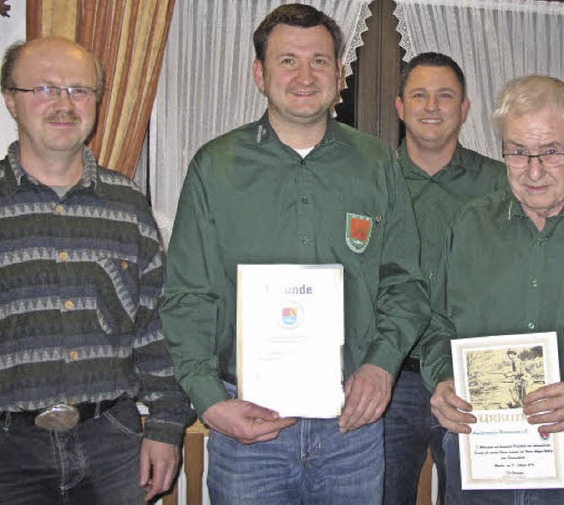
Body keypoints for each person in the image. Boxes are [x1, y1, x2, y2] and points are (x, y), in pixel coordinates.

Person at [160, 4, 431, 504]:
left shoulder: (376, 164)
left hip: (352, 426)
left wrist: (381, 365)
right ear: (259, 74)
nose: (305, 75)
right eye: (288, 61)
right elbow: (187, 296)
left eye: (320, 61)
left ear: (338, 74)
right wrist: (209, 401)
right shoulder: (214, 168)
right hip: (247, 426)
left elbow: (405, 283)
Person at [425, 74, 564, 503]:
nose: (534, 170)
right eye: (518, 152)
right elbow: (436, 326)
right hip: (477, 464)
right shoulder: (467, 226)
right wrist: (443, 379)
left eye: (551, 152)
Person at [0, 37, 194, 504]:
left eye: (80, 90)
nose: (65, 104)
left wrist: (166, 428)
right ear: (11, 100)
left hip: (113, 443)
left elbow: (156, 328)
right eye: (45, 88)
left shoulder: (127, 206)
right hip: (9, 452)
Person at [384, 52, 506, 505]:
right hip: (388, 380)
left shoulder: (502, 184)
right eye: (419, 95)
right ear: (400, 107)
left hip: (475, 376)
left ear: (465, 108)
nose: (431, 106)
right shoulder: (373, 179)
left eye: (445, 96)